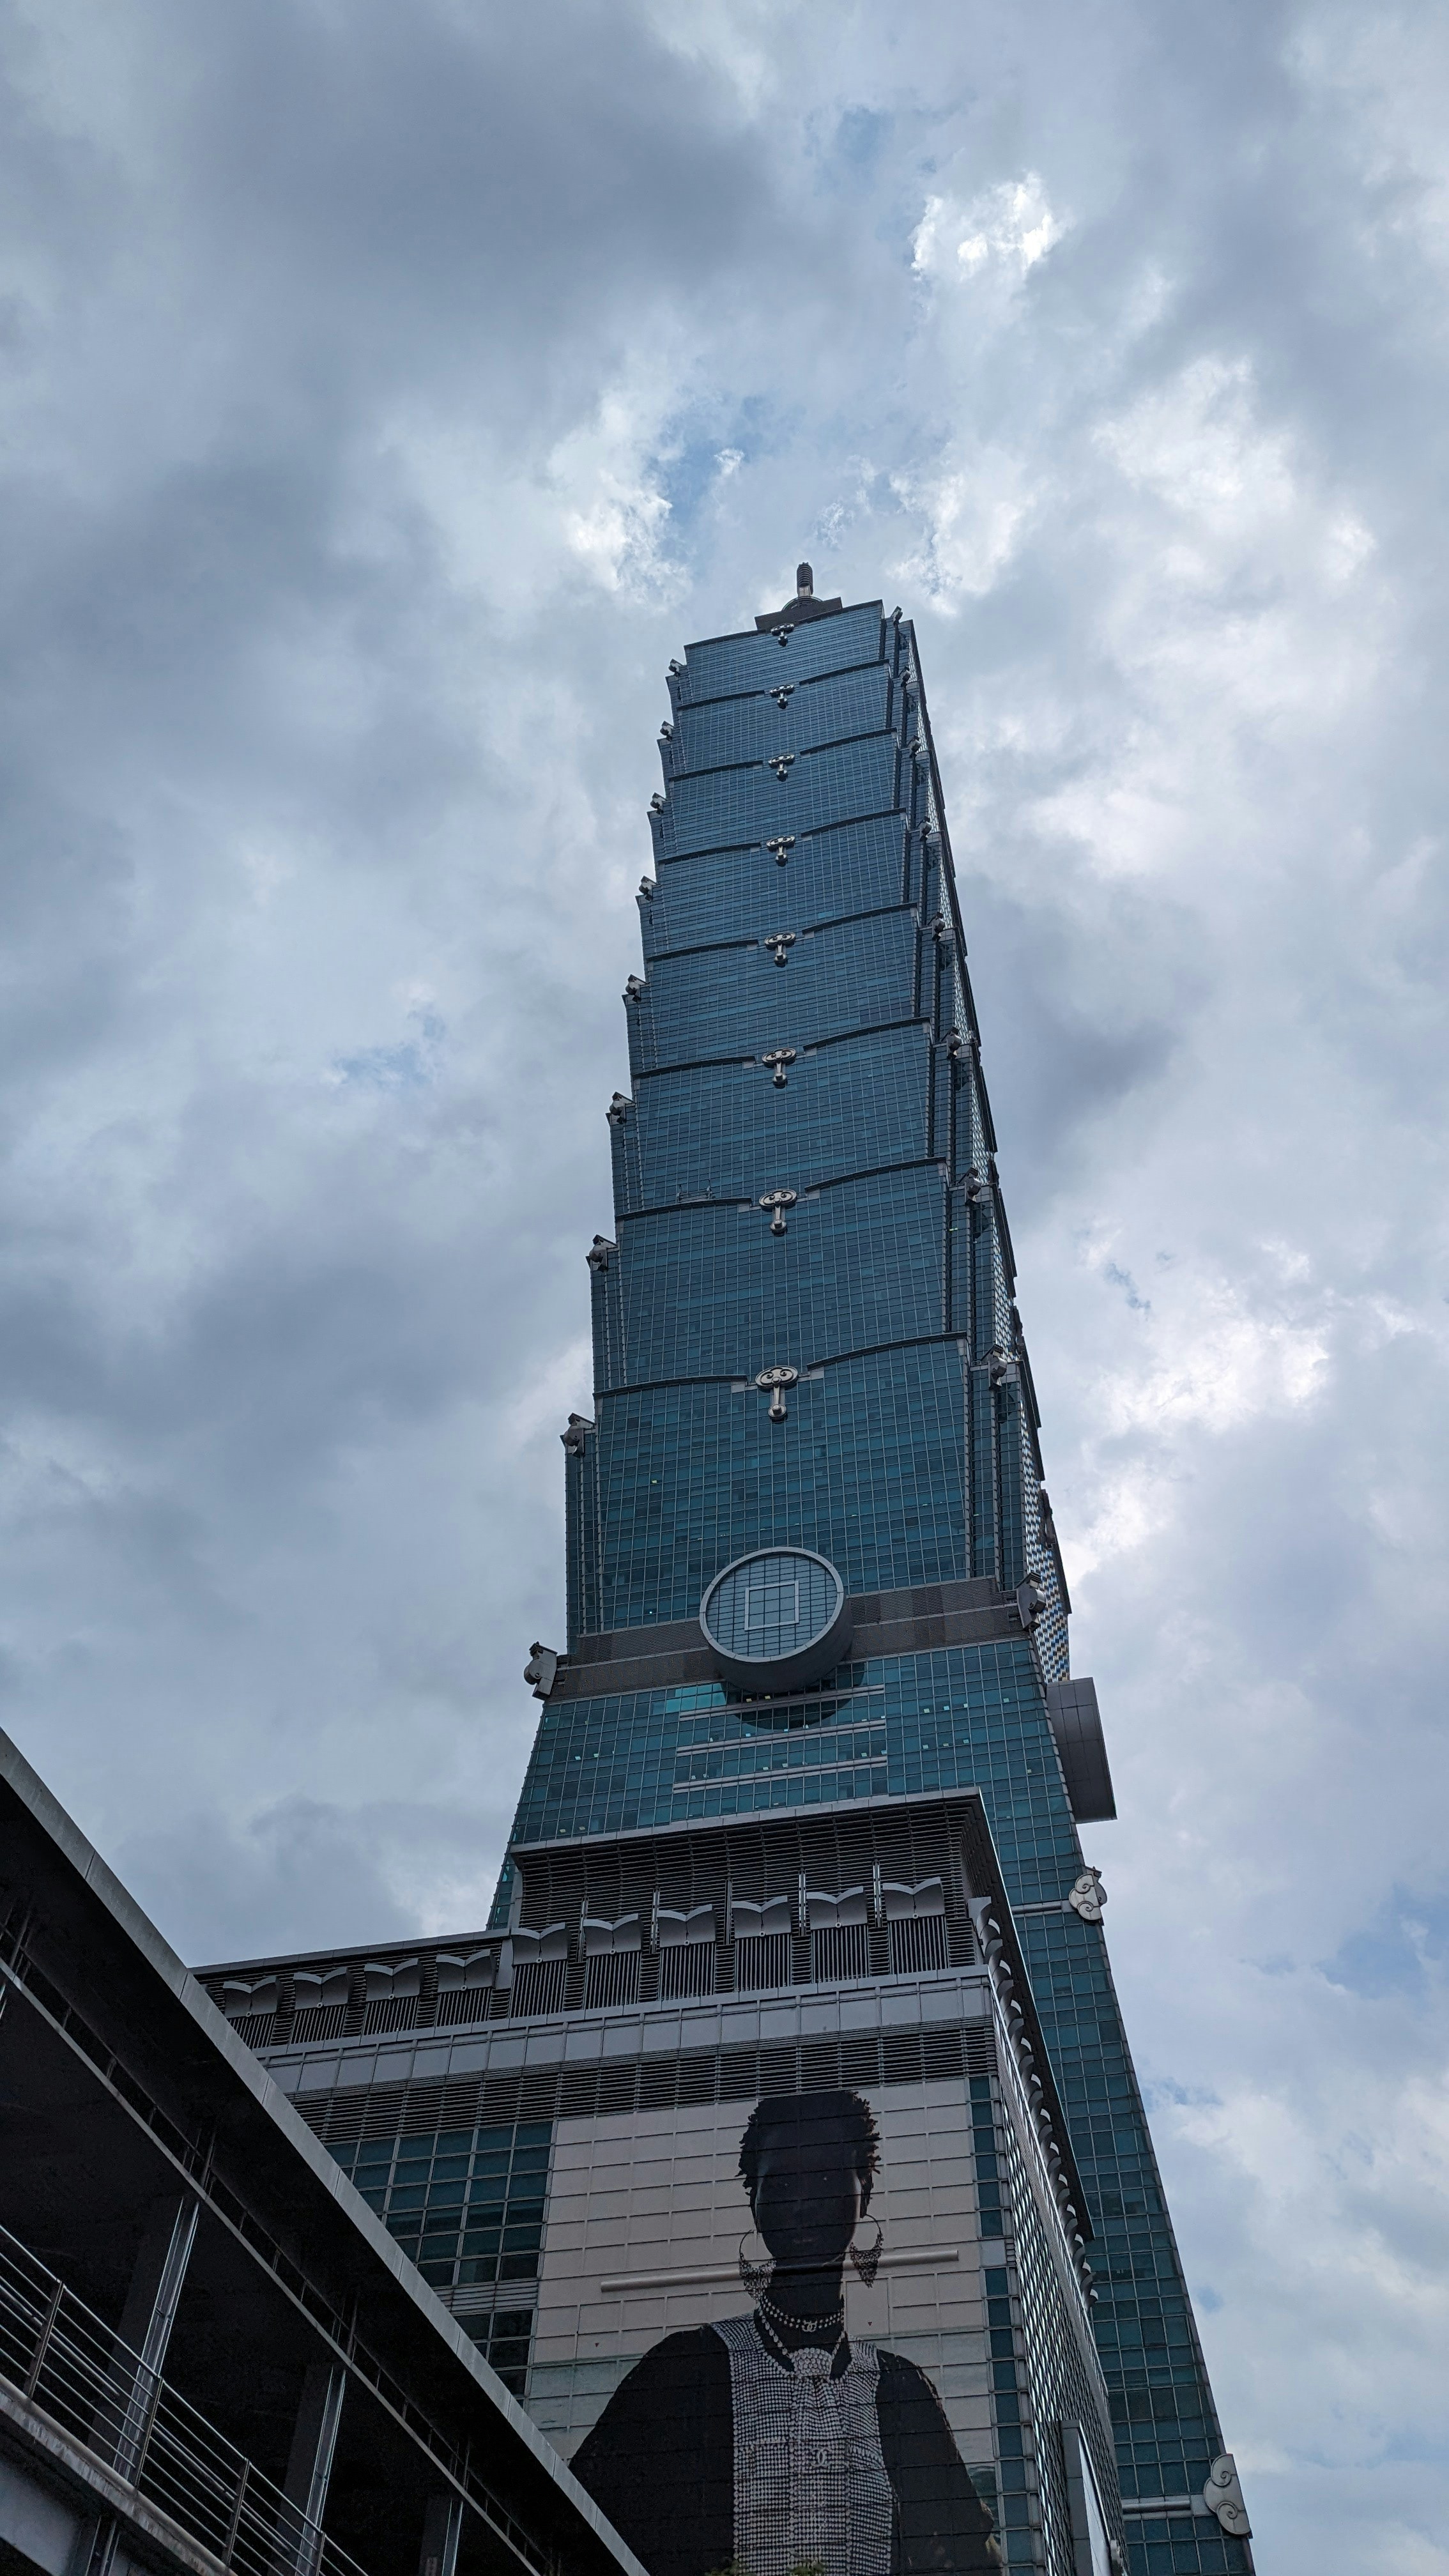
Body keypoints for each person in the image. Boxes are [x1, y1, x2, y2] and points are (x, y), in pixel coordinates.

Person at [572, 2090, 1000, 2576]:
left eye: (823, 2178)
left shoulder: (903, 2393)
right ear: (752, 2199)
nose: (802, 2204)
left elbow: (977, 2559)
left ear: (865, 2194)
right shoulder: (683, 2371)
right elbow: (574, 2527)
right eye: (780, 2184)